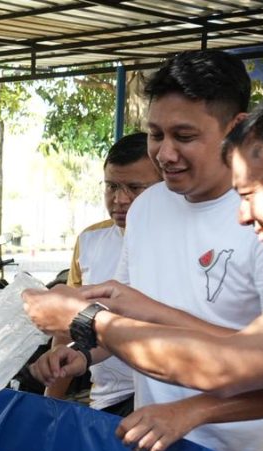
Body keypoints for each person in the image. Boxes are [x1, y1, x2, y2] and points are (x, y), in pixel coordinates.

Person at [23, 51, 263, 451]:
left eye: (184, 136)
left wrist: (89, 320)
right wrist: (91, 345)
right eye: (155, 134)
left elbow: (248, 365)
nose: (164, 153)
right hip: (164, 443)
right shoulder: (148, 208)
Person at [37, 132, 160, 416]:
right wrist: (50, 404)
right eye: (112, 186)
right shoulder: (90, 240)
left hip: (163, 400)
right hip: (106, 400)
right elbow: (70, 325)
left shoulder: (179, 240)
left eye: (135, 188)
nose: (120, 199)